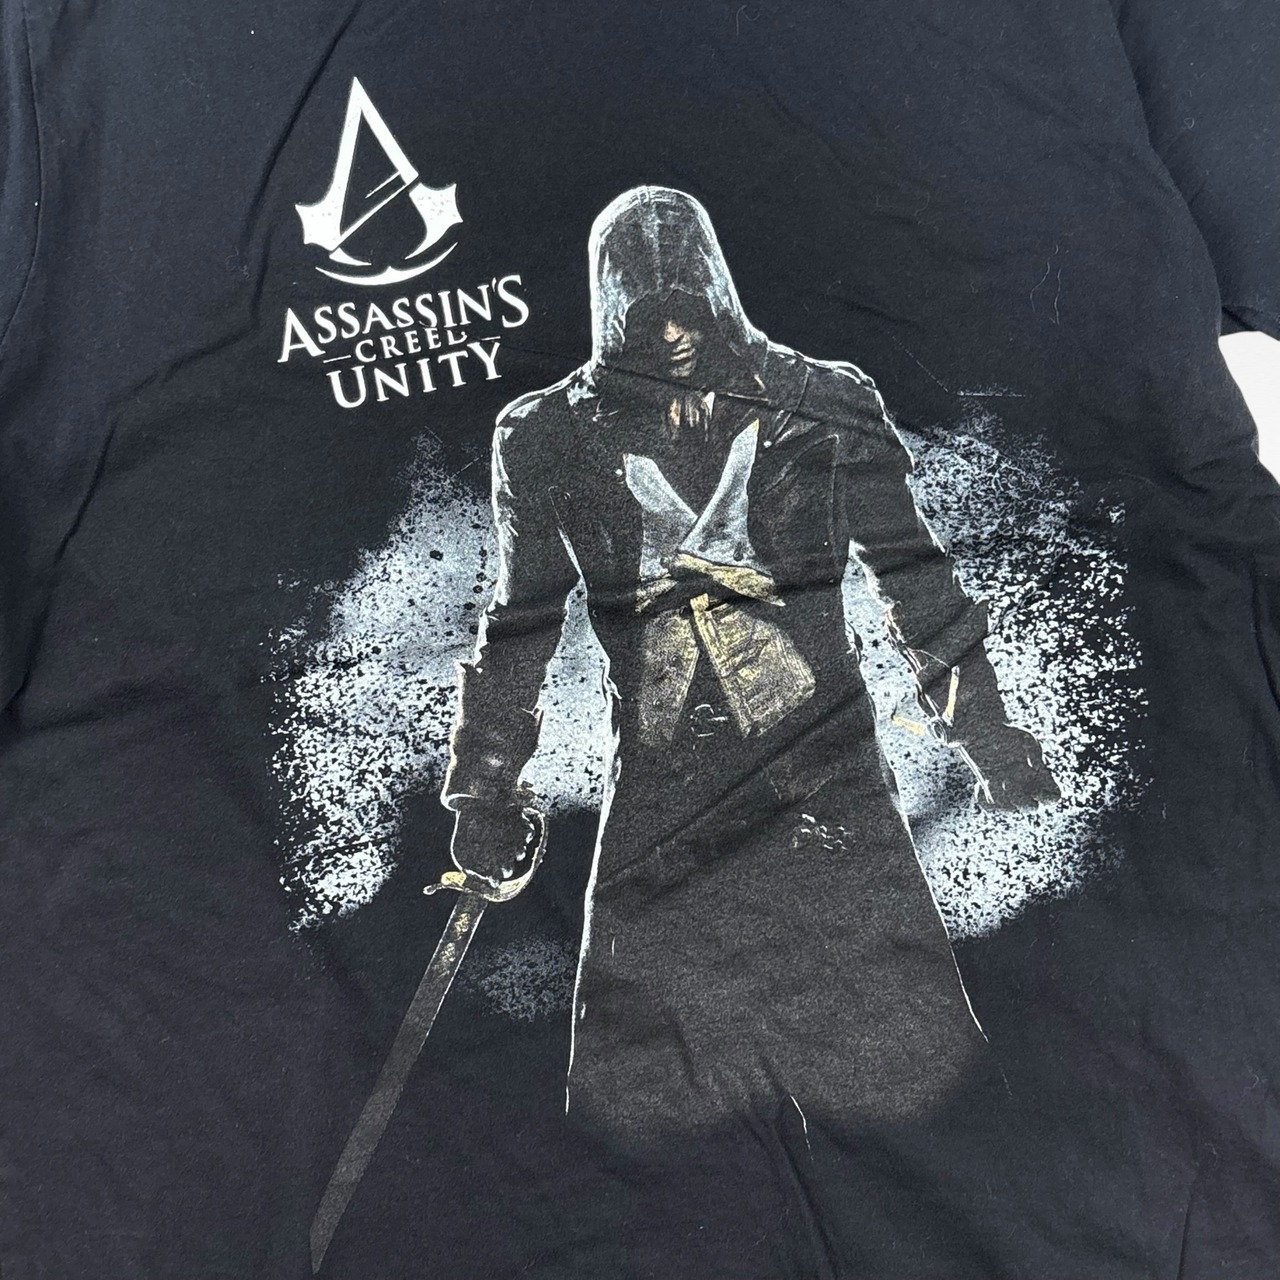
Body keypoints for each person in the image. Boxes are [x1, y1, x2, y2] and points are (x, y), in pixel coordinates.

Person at [441, 185, 1059, 1139]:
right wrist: (486, 789)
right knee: (638, 1119)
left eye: (689, 306)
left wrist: (989, 733)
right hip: (662, 792)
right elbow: (522, 620)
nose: (673, 335)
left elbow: (914, 577)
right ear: (612, 315)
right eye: (648, 315)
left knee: (916, 1089)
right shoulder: (547, 435)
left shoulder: (826, 404)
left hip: (829, 777)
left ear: (719, 294)